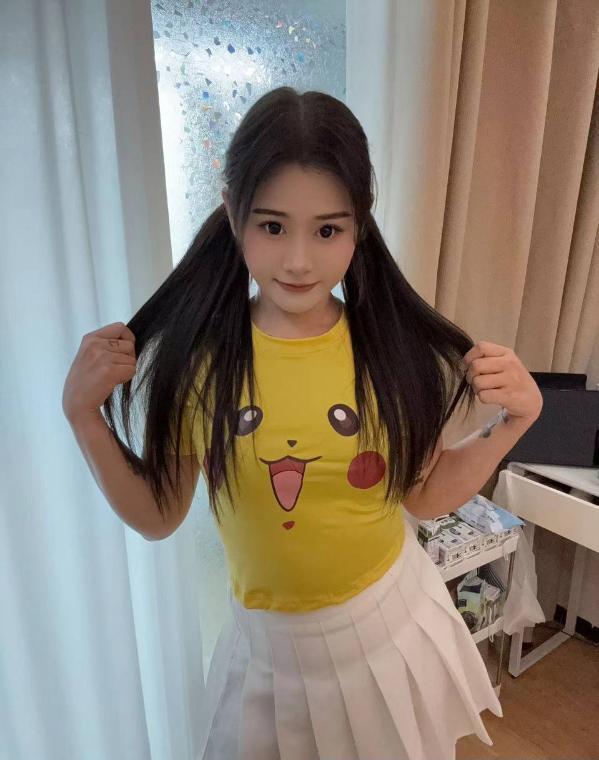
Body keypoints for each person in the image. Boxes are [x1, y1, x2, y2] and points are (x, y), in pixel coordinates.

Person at [63, 87, 512, 760]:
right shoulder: (198, 362)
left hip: (388, 633)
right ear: (232, 213)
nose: (298, 260)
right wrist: (82, 415)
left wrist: (511, 423)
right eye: (272, 227)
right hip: (266, 659)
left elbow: (422, 494)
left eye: (327, 230)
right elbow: (158, 515)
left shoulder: (390, 351)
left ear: (359, 224)